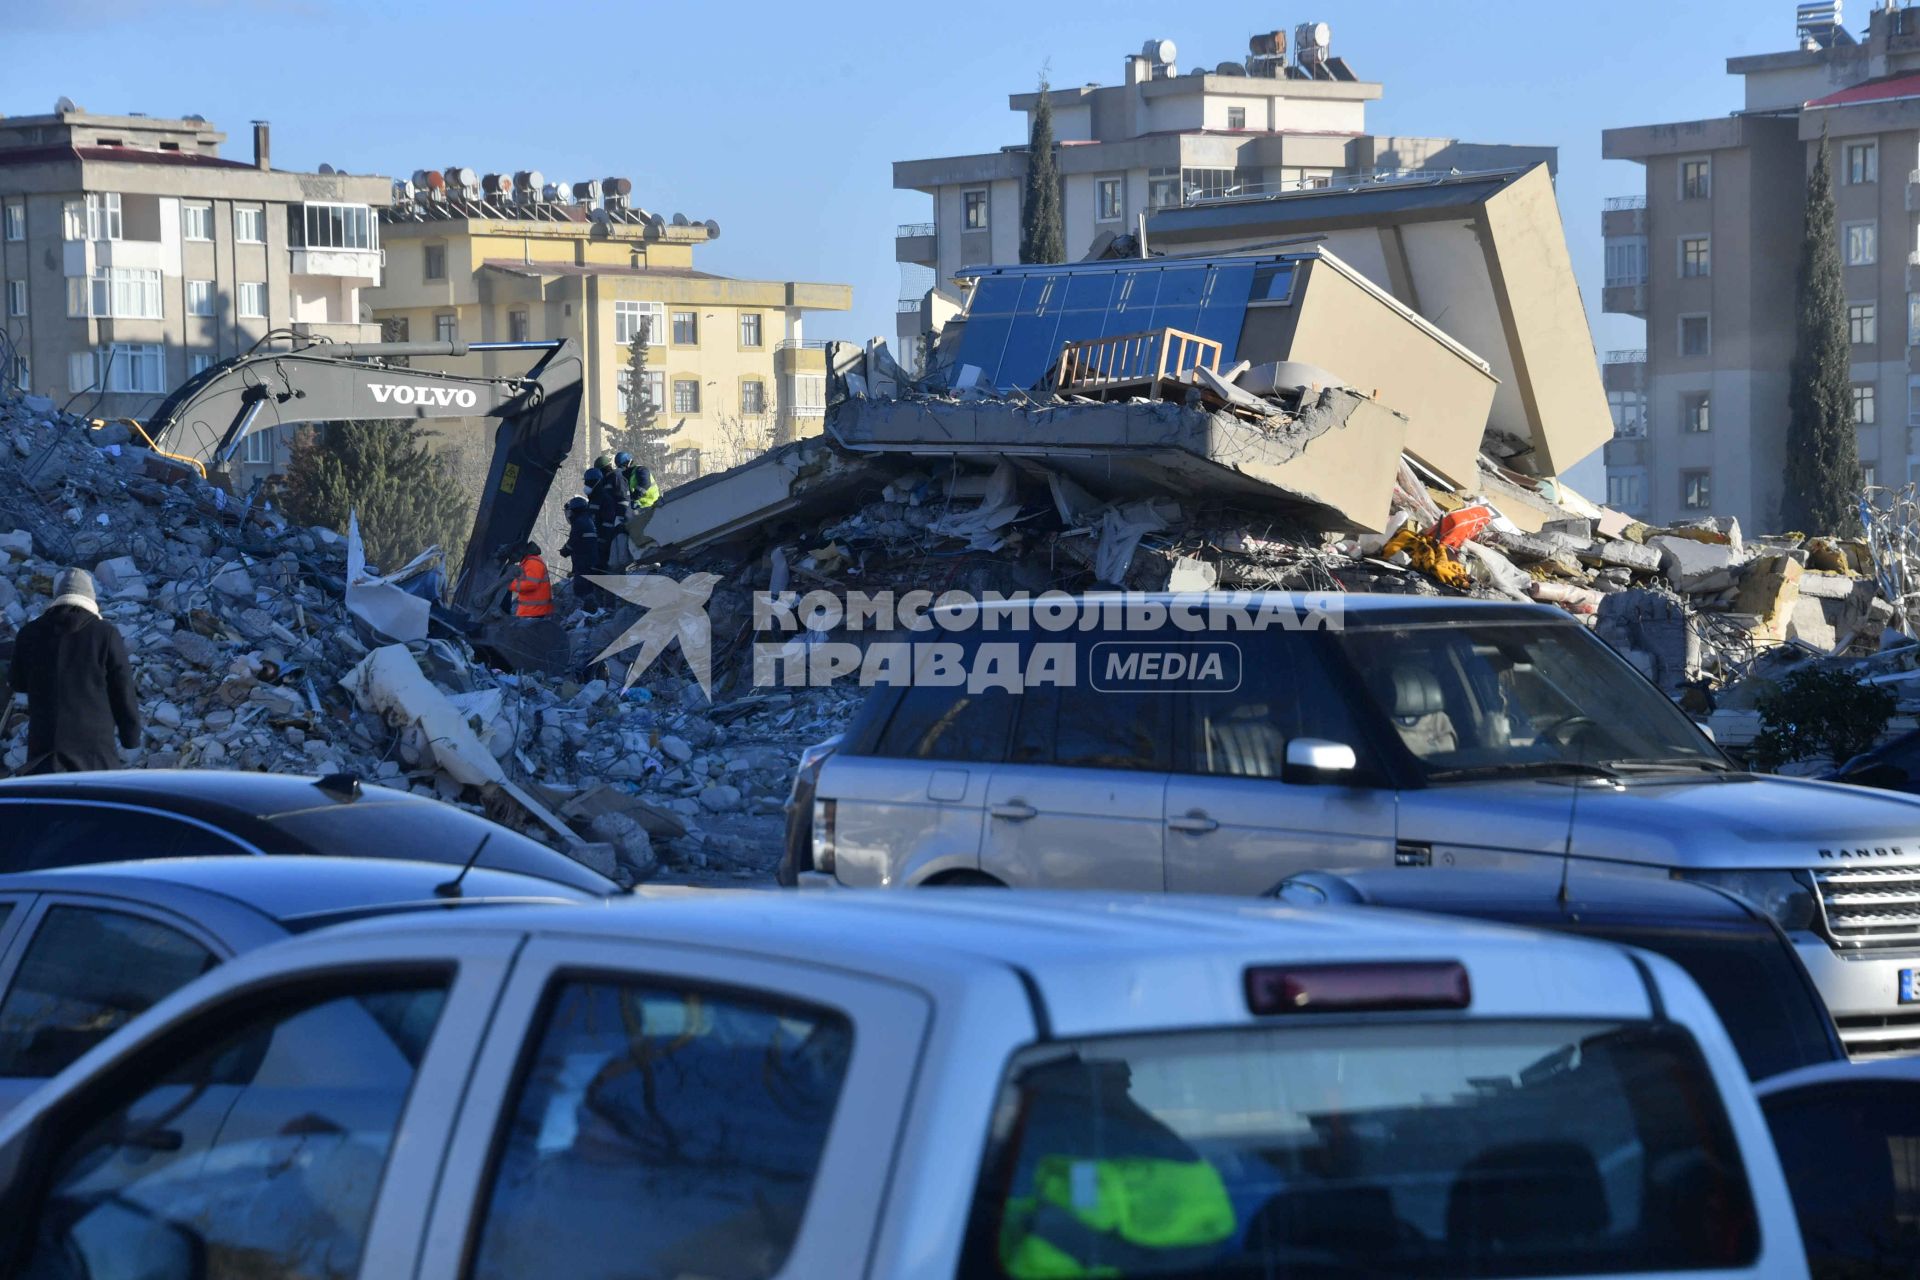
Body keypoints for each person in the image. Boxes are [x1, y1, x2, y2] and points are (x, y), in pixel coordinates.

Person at [3, 568, 142, 775]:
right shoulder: (105, 634)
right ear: (90, 597)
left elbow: (18, 683)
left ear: (57, 596)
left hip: (45, 747)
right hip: (96, 749)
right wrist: (130, 737)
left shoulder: (28, 633)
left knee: (51, 802)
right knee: (94, 803)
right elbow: (122, 690)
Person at [560, 496, 602, 611]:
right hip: (590, 561)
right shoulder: (588, 519)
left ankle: (587, 611)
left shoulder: (579, 523)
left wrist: (564, 551)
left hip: (584, 562)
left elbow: (572, 543)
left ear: (576, 510)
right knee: (588, 587)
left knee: (580, 589)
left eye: (570, 511)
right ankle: (593, 609)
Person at [589, 465, 631, 572]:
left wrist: (602, 540)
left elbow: (607, 521)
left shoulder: (614, 480)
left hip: (614, 529)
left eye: (588, 482)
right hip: (604, 536)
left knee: (616, 561)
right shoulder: (597, 497)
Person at [507, 541, 554, 619]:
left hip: (534, 611)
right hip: (532, 610)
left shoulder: (533, 563)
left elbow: (530, 584)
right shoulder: (528, 562)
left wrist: (509, 584)